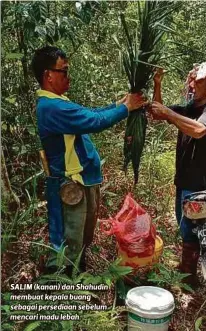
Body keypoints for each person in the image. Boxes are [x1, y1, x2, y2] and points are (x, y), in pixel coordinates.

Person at [31, 46, 146, 274]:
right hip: (70, 184)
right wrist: (125, 108)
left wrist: (118, 105)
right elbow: (94, 122)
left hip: (82, 181)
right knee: (69, 241)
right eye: (64, 71)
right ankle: (63, 288)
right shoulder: (51, 107)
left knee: (81, 237)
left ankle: (76, 277)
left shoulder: (59, 101)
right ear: (48, 75)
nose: (68, 77)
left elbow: (90, 114)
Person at [151, 62, 206, 285]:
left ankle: (194, 278)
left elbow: (198, 130)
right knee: (185, 229)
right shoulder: (190, 107)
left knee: (195, 231)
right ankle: (189, 272)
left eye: (198, 81)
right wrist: (157, 84)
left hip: (198, 183)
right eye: (191, 79)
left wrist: (169, 114)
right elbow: (158, 113)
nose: (192, 84)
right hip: (183, 180)